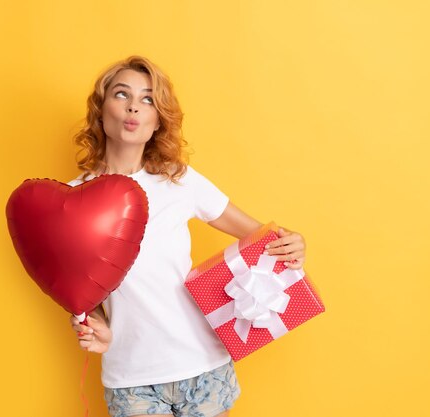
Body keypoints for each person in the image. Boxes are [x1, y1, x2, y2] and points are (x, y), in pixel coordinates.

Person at [67, 56, 307, 417]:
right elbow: (74, 289)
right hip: (131, 377)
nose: (134, 106)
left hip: (203, 365)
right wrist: (92, 322)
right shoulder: (70, 200)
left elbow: (262, 236)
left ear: (157, 120)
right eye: (122, 94)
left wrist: (292, 242)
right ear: (101, 111)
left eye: (148, 99)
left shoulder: (179, 181)